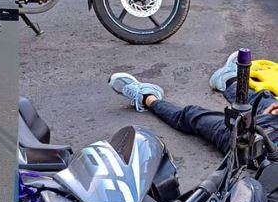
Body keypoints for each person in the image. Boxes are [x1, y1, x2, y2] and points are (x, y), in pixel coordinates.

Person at [109, 51, 278, 154]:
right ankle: (228, 81)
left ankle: (147, 98)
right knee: (264, 98)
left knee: (193, 115)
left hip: (262, 148)